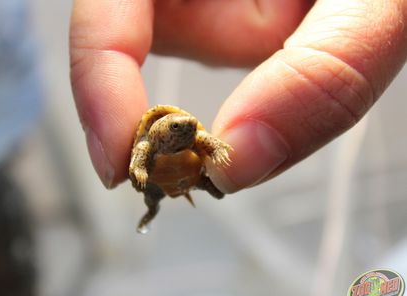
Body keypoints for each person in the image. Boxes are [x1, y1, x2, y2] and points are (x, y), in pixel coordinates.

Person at [69, 0, 407, 193]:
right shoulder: (147, 142)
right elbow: (141, 150)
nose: (186, 129)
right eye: (177, 129)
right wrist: (140, 172)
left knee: (210, 183)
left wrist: (216, 148)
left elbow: (199, 138)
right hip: (161, 183)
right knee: (153, 200)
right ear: (159, 130)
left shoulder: (193, 138)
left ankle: (209, 186)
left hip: (191, 176)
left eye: (185, 128)